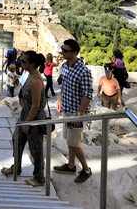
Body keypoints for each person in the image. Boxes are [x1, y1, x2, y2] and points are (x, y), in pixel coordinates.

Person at [1, 51, 47, 186]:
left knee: (35, 149)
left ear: (32, 64)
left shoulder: (36, 81)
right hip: (25, 115)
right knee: (17, 140)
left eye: (24, 61)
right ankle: (17, 167)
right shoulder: (29, 75)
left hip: (34, 119)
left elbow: (36, 105)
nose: (21, 63)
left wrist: (27, 123)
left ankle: (39, 178)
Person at [54, 38, 93, 184]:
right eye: (62, 50)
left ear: (74, 52)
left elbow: (88, 94)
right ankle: (71, 165)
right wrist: (59, 100)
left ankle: (86, 169)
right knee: (69, 140)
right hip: (67, 109)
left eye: (65, 51)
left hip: (76, 113)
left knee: (75, 142)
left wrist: (79, 115)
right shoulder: (66, 66)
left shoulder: (83, 71)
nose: (62, 53)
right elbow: (64, 85)